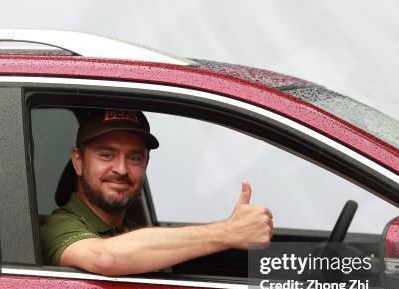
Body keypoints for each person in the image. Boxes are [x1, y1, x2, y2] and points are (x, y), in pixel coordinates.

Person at [41, 109, 273, 276]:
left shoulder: (133, 233)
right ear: (78, 161)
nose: (121, 169)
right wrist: (229, 232)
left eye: (135, 158)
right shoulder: (58, 226)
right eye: (106, 155)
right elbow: (105, 257)